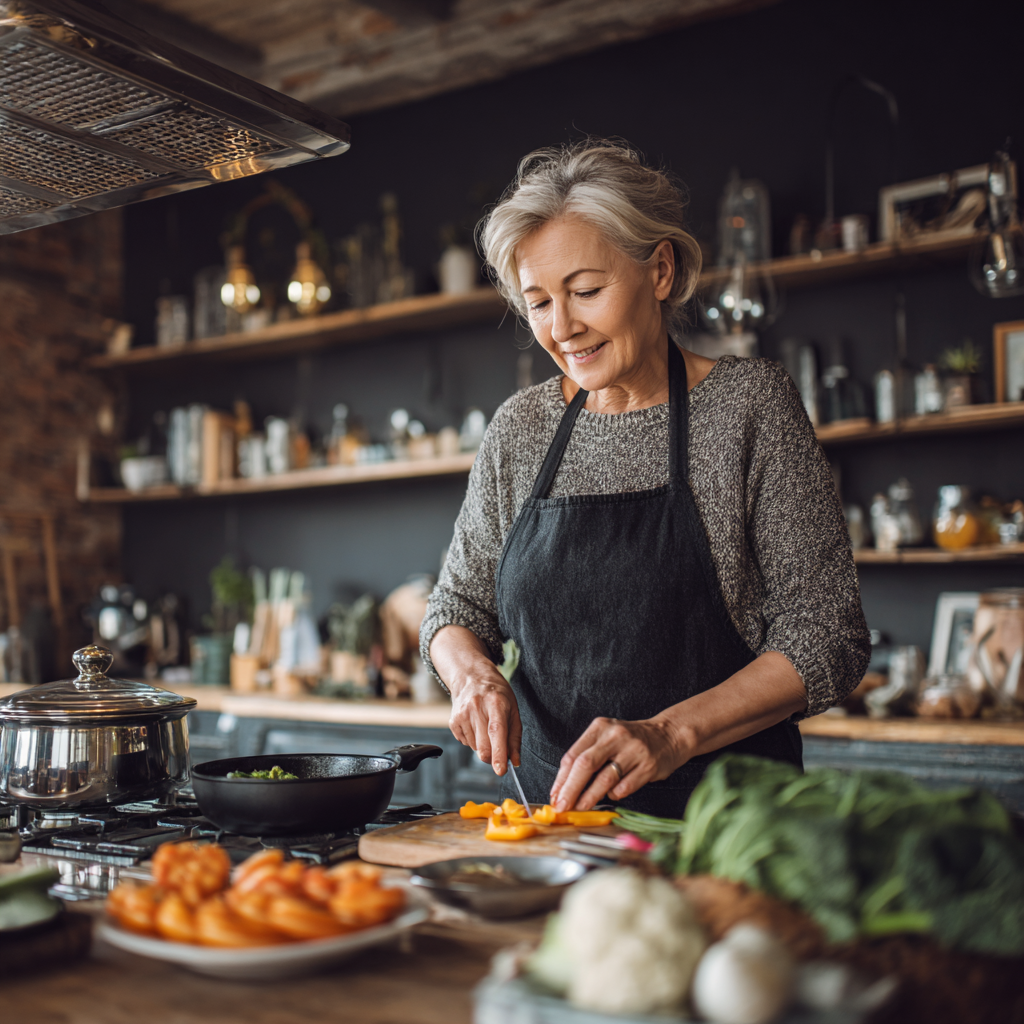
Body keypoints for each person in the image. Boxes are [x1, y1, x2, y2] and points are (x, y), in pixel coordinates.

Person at [420, 140, 870, 817]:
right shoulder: (519, 430)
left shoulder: (748, 407)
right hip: (561, 830)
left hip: (730, 828)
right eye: (539, 302)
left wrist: (670, 734)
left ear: (659, 270)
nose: (562, 328)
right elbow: (455, 609)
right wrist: (471, 675)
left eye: (586, 291)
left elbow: (827, 635)